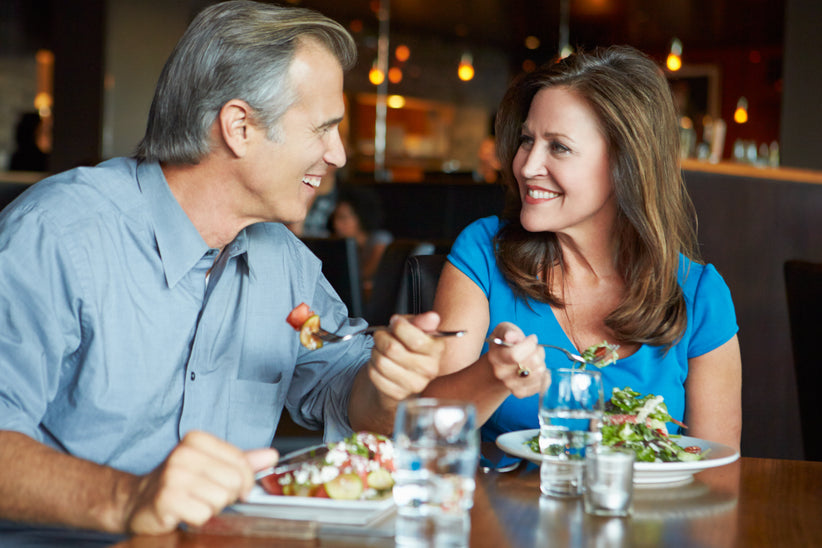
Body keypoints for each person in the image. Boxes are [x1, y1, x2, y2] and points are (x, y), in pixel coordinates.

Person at [0, 1, 444, 535]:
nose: (338, 155)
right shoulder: (57, 236)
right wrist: (129, 497)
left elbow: (340, 389)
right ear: (240, 127)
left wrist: (387, 385)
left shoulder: (284, 264)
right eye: (324, 128)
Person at [423, 46, 742, 458]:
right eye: (526, 140)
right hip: (501, 518)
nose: (526, 165)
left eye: (559, 147)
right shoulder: (483, 253)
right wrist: (492, 376)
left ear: (625, 163)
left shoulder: (699, 295)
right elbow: (428, 431)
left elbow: (716, 477)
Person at [328, 185, 394, 298]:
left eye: (343, 218)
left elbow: (365, 275)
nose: (336, 224)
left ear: (360, 217)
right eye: (335, 218)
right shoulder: (341, 245)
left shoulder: (380, 240)